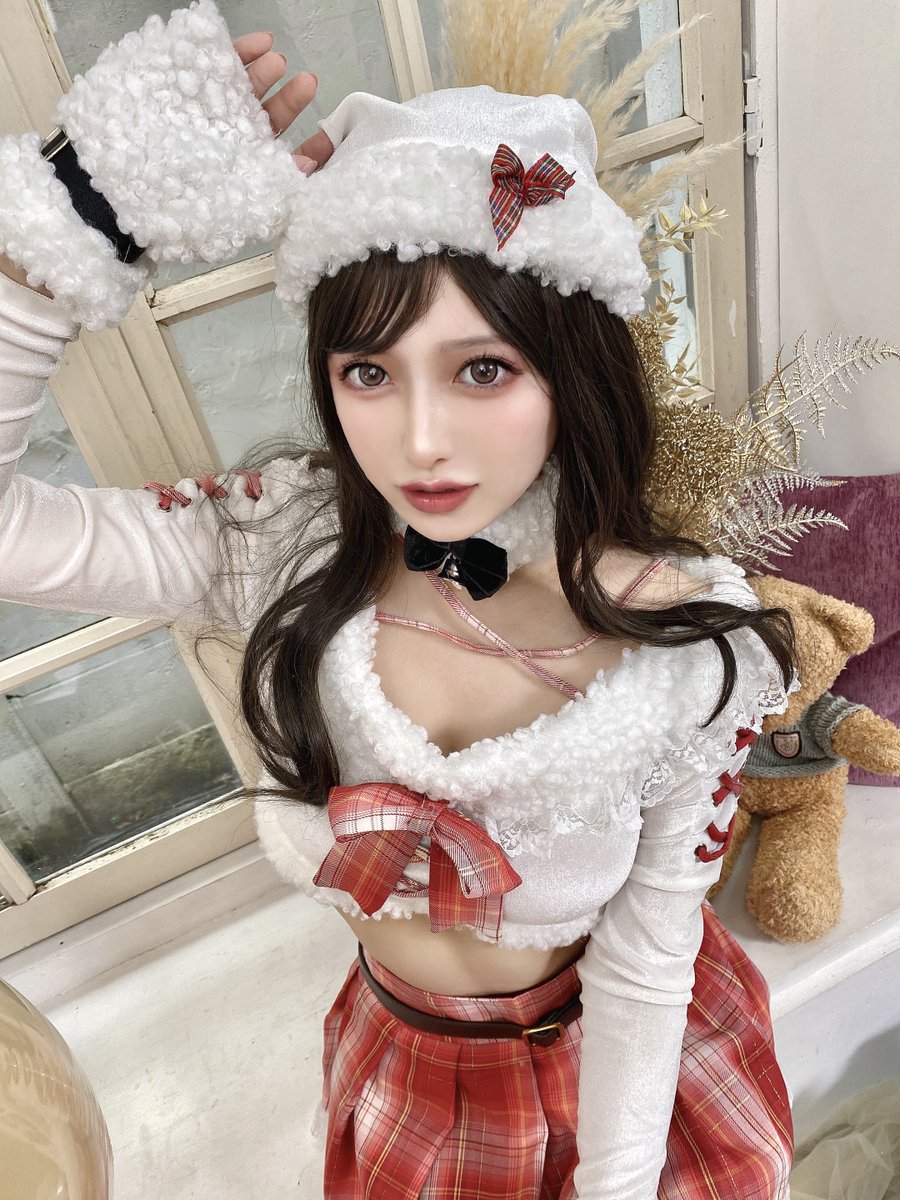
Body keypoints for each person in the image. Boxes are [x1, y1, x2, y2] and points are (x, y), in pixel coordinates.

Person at [0, 4, 800, 1197]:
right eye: (369, 372)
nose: (421, 440)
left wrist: (619, 1183)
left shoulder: (689, 647)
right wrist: (69, 227)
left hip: (631, 1086)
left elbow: (646, 963)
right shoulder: (282, 540)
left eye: (483, 369)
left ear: (570, 372)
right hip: (403, 1061)